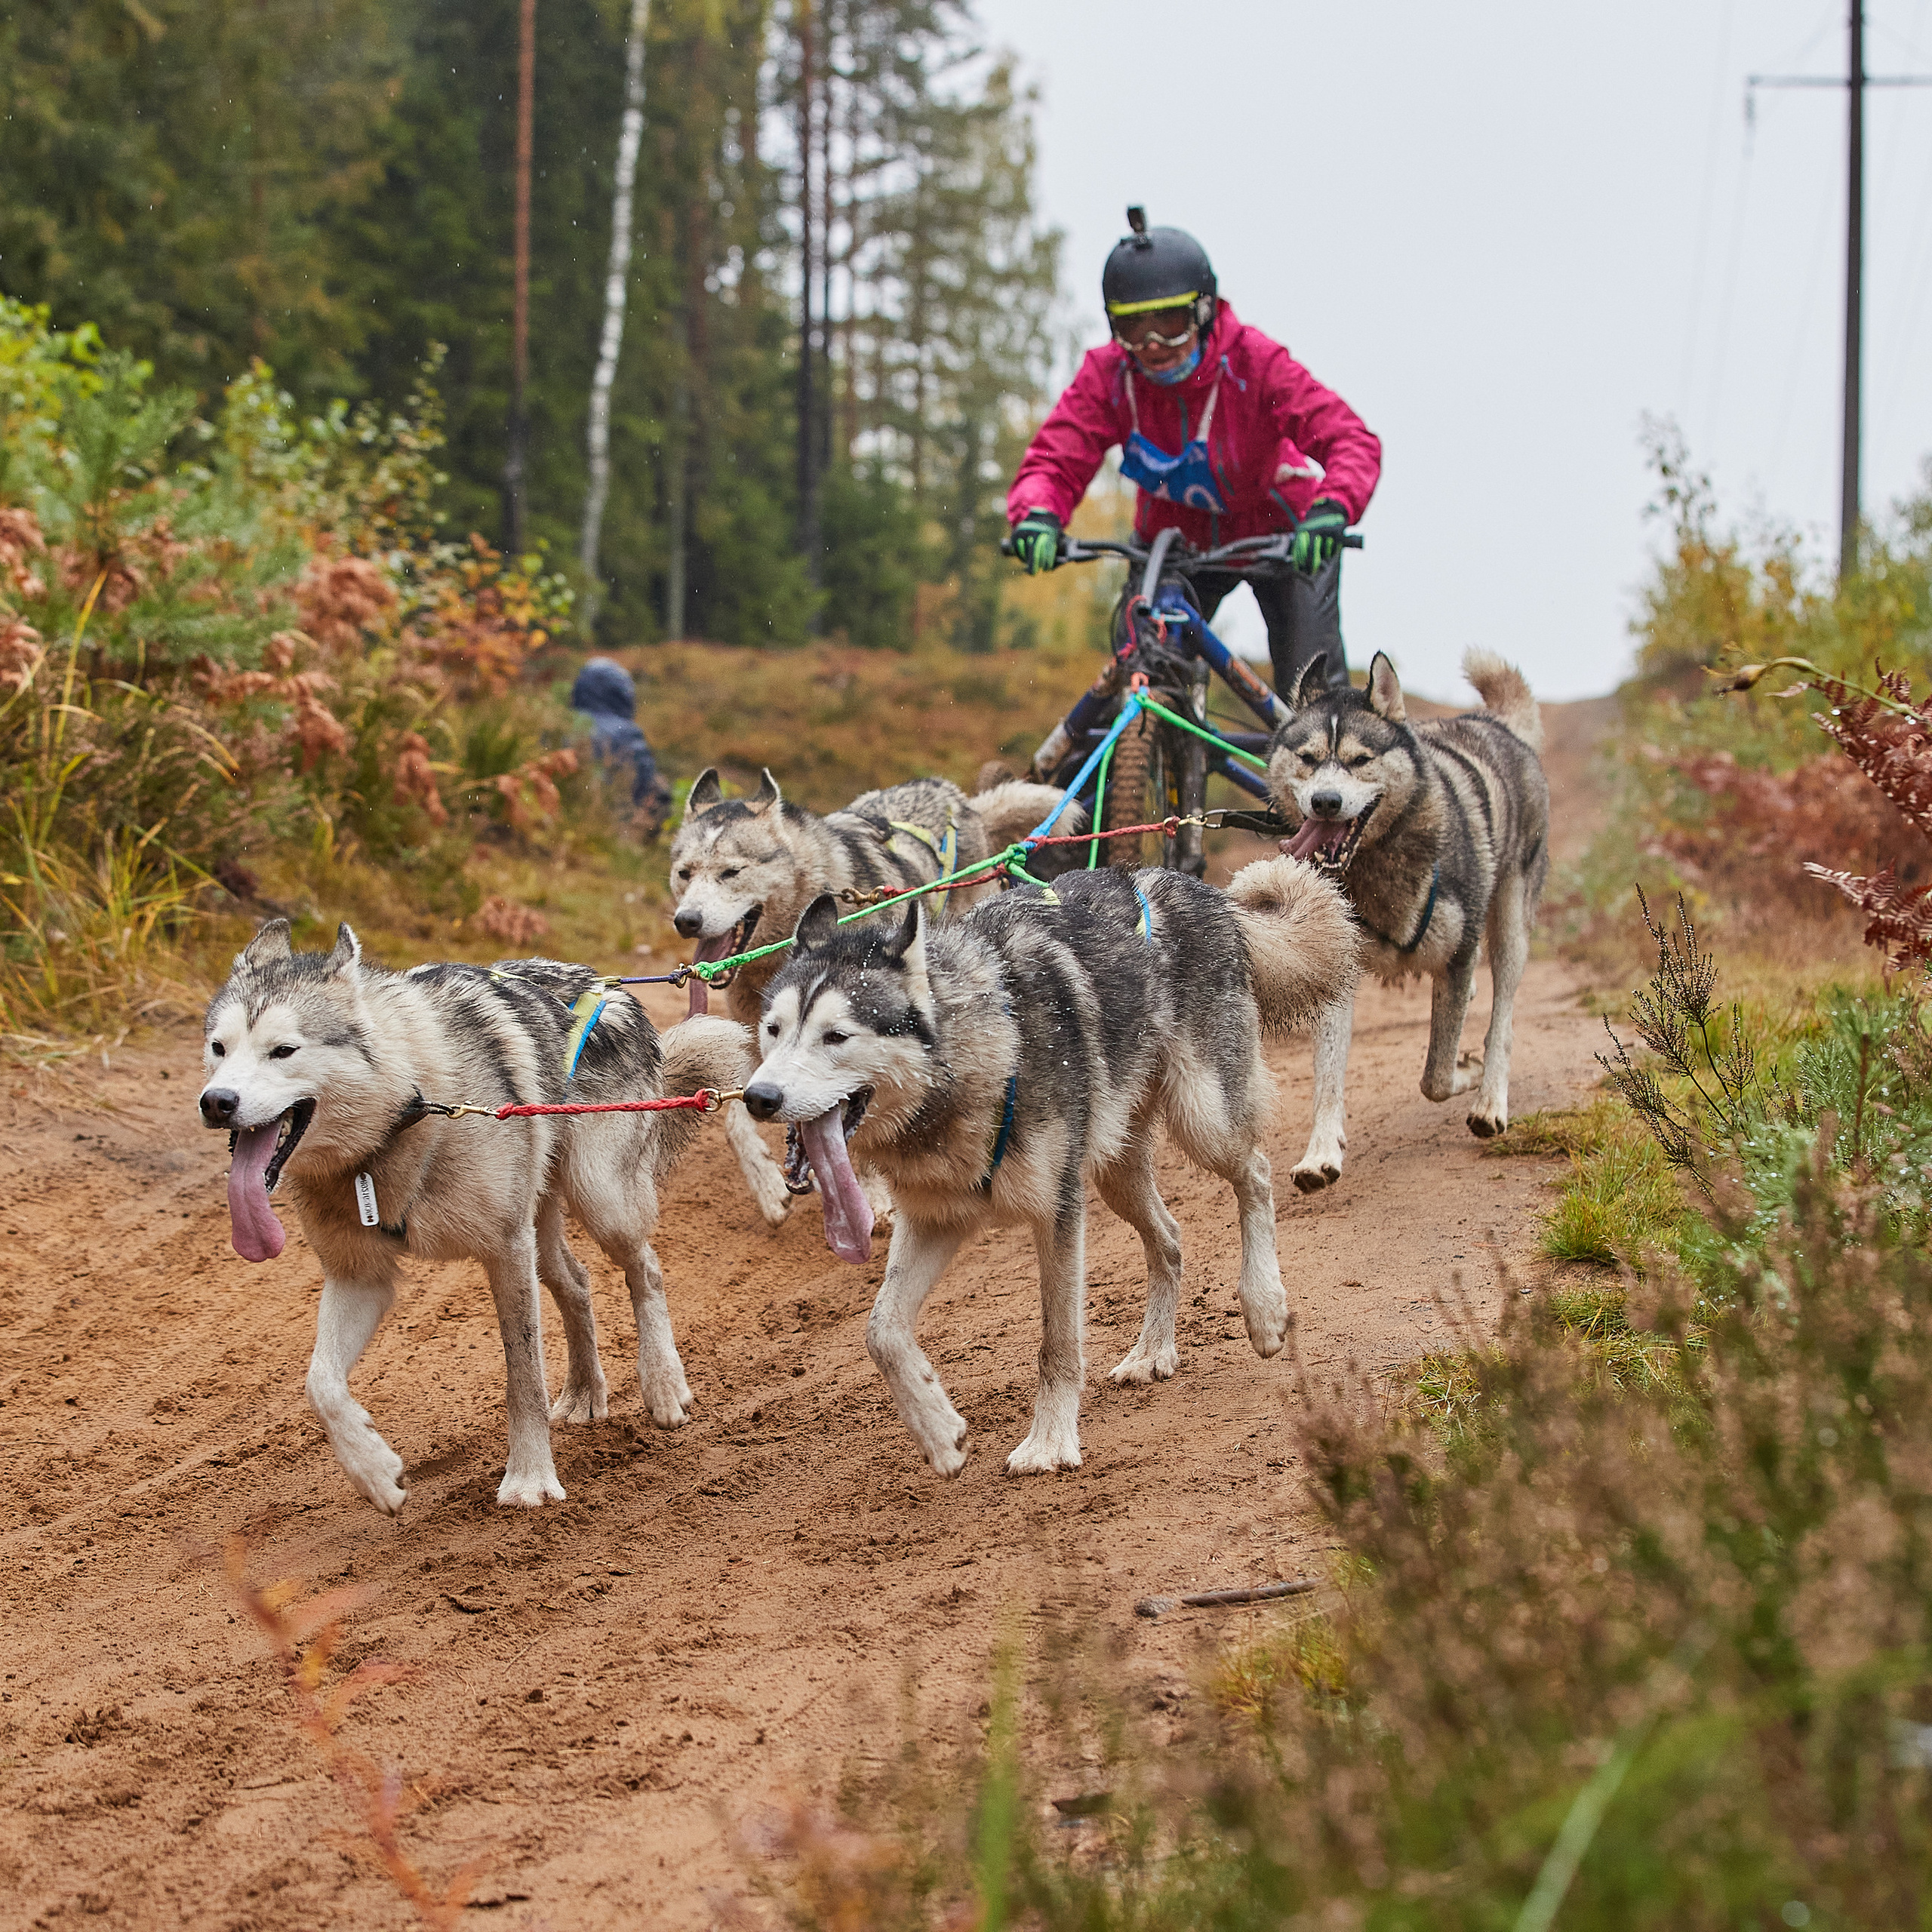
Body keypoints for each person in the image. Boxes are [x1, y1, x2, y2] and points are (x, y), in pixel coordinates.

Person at [1007, 208, 1380, 697]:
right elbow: (1055, 460)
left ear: (1202, 313)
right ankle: (1154, 735)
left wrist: (1333, 508)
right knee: (1144, 674)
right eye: (1133, 328)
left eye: (1169, 322)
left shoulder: (1255, 362)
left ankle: (1324, 736)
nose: (1153, 345)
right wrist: (1037, 514)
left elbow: (1349, 439)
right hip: (1174, 544)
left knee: (1312, 691)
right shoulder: (1108, 377)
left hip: (1285, 536)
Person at [569, 656, 672, 834]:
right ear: (621, 692)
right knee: (659, 787)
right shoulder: (626, 732)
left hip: (567, 813)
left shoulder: (562, 723)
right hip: (612, 821)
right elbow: (644, 776)